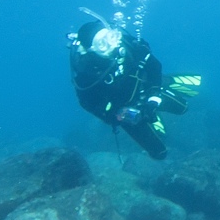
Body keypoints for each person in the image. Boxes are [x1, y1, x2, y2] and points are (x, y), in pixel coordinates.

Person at [68, 12, 200, 160]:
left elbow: (154, 65)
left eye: (111, 37)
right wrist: (115, 115)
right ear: (91, 50)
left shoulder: (128, 45)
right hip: (126, 110)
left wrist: (153, 97)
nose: (112, 44)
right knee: (160, 153)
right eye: (102, 43)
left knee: (183, 108)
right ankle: (153, 112)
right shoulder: (86, 75)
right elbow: (88, 104)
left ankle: (166, 81)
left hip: (145, 87)